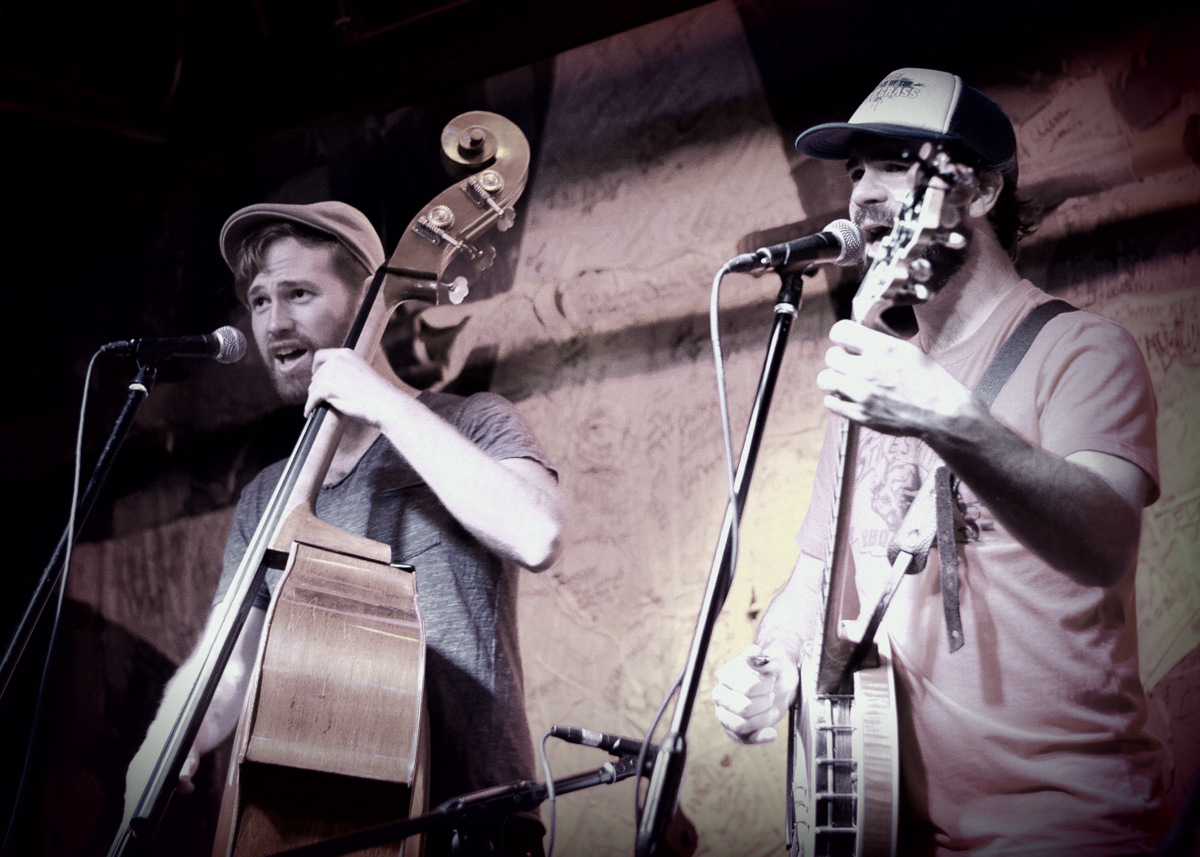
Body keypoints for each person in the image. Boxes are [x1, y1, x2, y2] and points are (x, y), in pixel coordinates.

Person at [711, 68, 1173, 855]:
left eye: (895, 163)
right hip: (902, 832)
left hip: (1070, 821)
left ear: (982, 191)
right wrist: (776, 661)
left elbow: (1104, 542)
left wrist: (950, 418)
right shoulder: (875, 376)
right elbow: (820, 571)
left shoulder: (1082, 352)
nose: (862, 192)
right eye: (856, 170)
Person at [122, 200, 564, 857]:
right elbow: (228, 667)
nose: (274, 322)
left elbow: (536, 533)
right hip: (319, 825)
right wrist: (166, 740)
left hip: (477, 819)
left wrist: (382, 401)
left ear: (371, 301)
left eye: (298, 293)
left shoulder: (474, 421)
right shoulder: (268, 495)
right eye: (260, 299)